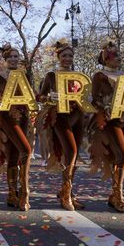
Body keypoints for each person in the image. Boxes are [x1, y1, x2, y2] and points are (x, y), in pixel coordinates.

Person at [38, 41, 85, 211]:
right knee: (70, 151)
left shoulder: (79, 76)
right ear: (58, 57)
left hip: (78, 116)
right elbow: (40, 96)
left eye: (70, 56)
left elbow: (85, 97)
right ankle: (66, 194)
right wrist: (50, 97)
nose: (67, 58)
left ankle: (68, 191)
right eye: (64, 55)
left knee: (76, 154)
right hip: (59, 116)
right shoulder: (51, 75)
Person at [89, 42, 124, 213]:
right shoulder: (99, 76)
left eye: (119, 55)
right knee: (122, 155)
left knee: (121, 158)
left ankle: (114, 195)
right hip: (110, 120)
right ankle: (118, 195)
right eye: (114, 55)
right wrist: (105, 108)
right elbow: (95, 99)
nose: (118, 57)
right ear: (106, 59)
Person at [0, 43, 33, 211]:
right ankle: (24, 192)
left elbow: (31, 97)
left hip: (23, 117)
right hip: (7, 118)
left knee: (14, 155)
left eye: (16, 56)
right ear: (5, 59)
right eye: (11, 57)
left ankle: (11, 194)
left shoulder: (24, 76)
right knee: (26, 150)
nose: (14, 59)